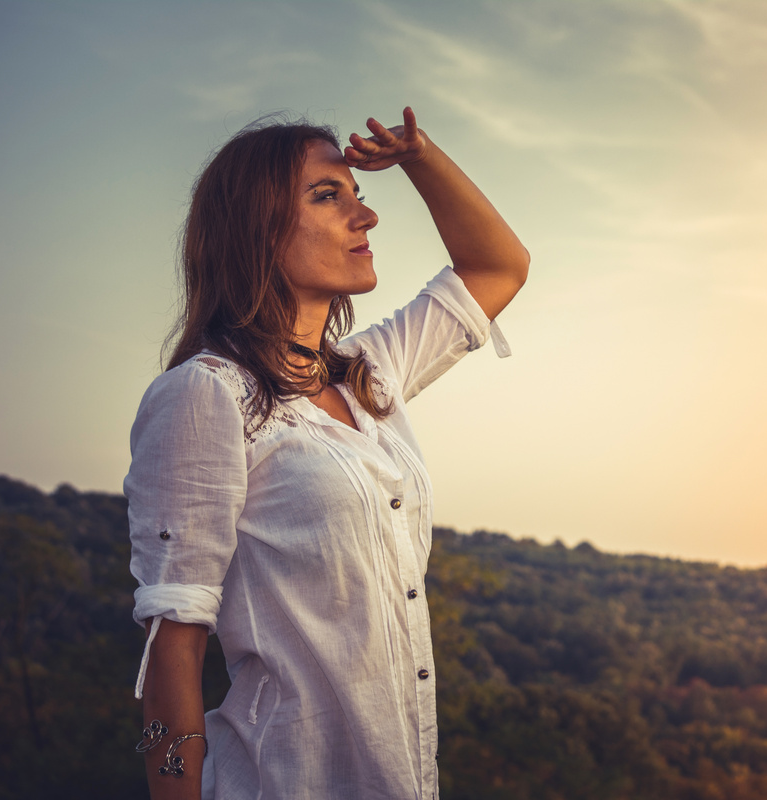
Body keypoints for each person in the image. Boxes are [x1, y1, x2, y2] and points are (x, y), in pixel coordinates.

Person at [125, 107, 528, 800]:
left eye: (359, 195)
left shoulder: (368, 372)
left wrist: (419, 157)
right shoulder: (205, 395)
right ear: (257, 229)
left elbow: (498, 267)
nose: (364, 217)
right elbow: (175, 645)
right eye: (327, 196)